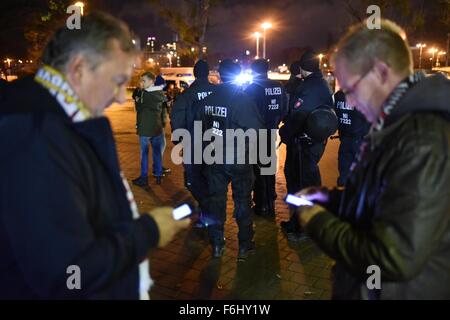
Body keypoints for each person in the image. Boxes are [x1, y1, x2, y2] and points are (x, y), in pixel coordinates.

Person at [0, 12, 189, 299]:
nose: (121, 97)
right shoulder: (33, 133)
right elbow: (67, 274)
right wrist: (149, 231)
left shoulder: (54, 121)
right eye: (117, 80)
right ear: (79, 68)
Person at [295, 19, 450, 299]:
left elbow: (393, 257)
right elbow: (386, 202)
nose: (349, 103)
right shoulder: (393, 126)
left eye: (350, 90)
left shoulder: (421, 139)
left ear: (380, 72)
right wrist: (332, 201)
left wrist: (317, 221)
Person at [195, 59, 264, 259]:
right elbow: (256, 130)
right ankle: (245, 244)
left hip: (213, 157)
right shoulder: (241, 99)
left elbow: (199, 128)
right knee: (242, 201)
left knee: (216, 201)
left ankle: (217, 244)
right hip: (238, 159)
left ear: (220, 75)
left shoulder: (208, 98)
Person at [279, 49, 333, 240]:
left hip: (305, 145)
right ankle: (298, 222)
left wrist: (284, 132)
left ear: (303, 68)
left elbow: (297, 116)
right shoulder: (319, 84)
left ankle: (304, 228)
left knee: (303, 185)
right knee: (299, 182)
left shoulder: (309, 88)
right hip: (310, 143)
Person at [170, 60, 216, 226]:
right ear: (208, 72)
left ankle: (207, 211)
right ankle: (210, 211)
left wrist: (179, 141)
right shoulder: (217, 92)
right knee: (212, 180)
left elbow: (176, 118)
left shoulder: (188, 94)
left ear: (195, 73)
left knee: (193, 180)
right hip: (215, 144)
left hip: (194, 144)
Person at [244, 59, 288, 217]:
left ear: (253, 71)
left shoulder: (252, 88)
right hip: (271, 131)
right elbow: (284, 108)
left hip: (256, 133)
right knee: (268, 168)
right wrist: (275, 122)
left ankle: (262, 204)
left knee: (257, 170)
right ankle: (270, 199)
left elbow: (246, 112)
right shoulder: (278, 86)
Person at [132, 71, 168, 185]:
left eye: (144, 80)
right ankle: (158, 174)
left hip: (145, 128)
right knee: (157, 152)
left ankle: (144, 177)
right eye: (141, 80)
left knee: (144, 153)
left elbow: (139, 108)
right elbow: (163, 111)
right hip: (157, 127)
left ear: (151, 81)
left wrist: (137, 97)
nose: (141, 83)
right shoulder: (160, 93)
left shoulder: (144, 95)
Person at [333, 90, 370, 186]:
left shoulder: (339, 95)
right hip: (360, 141)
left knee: (344, 174)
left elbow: (335, 115)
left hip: (344, 140)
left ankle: (343, 196)